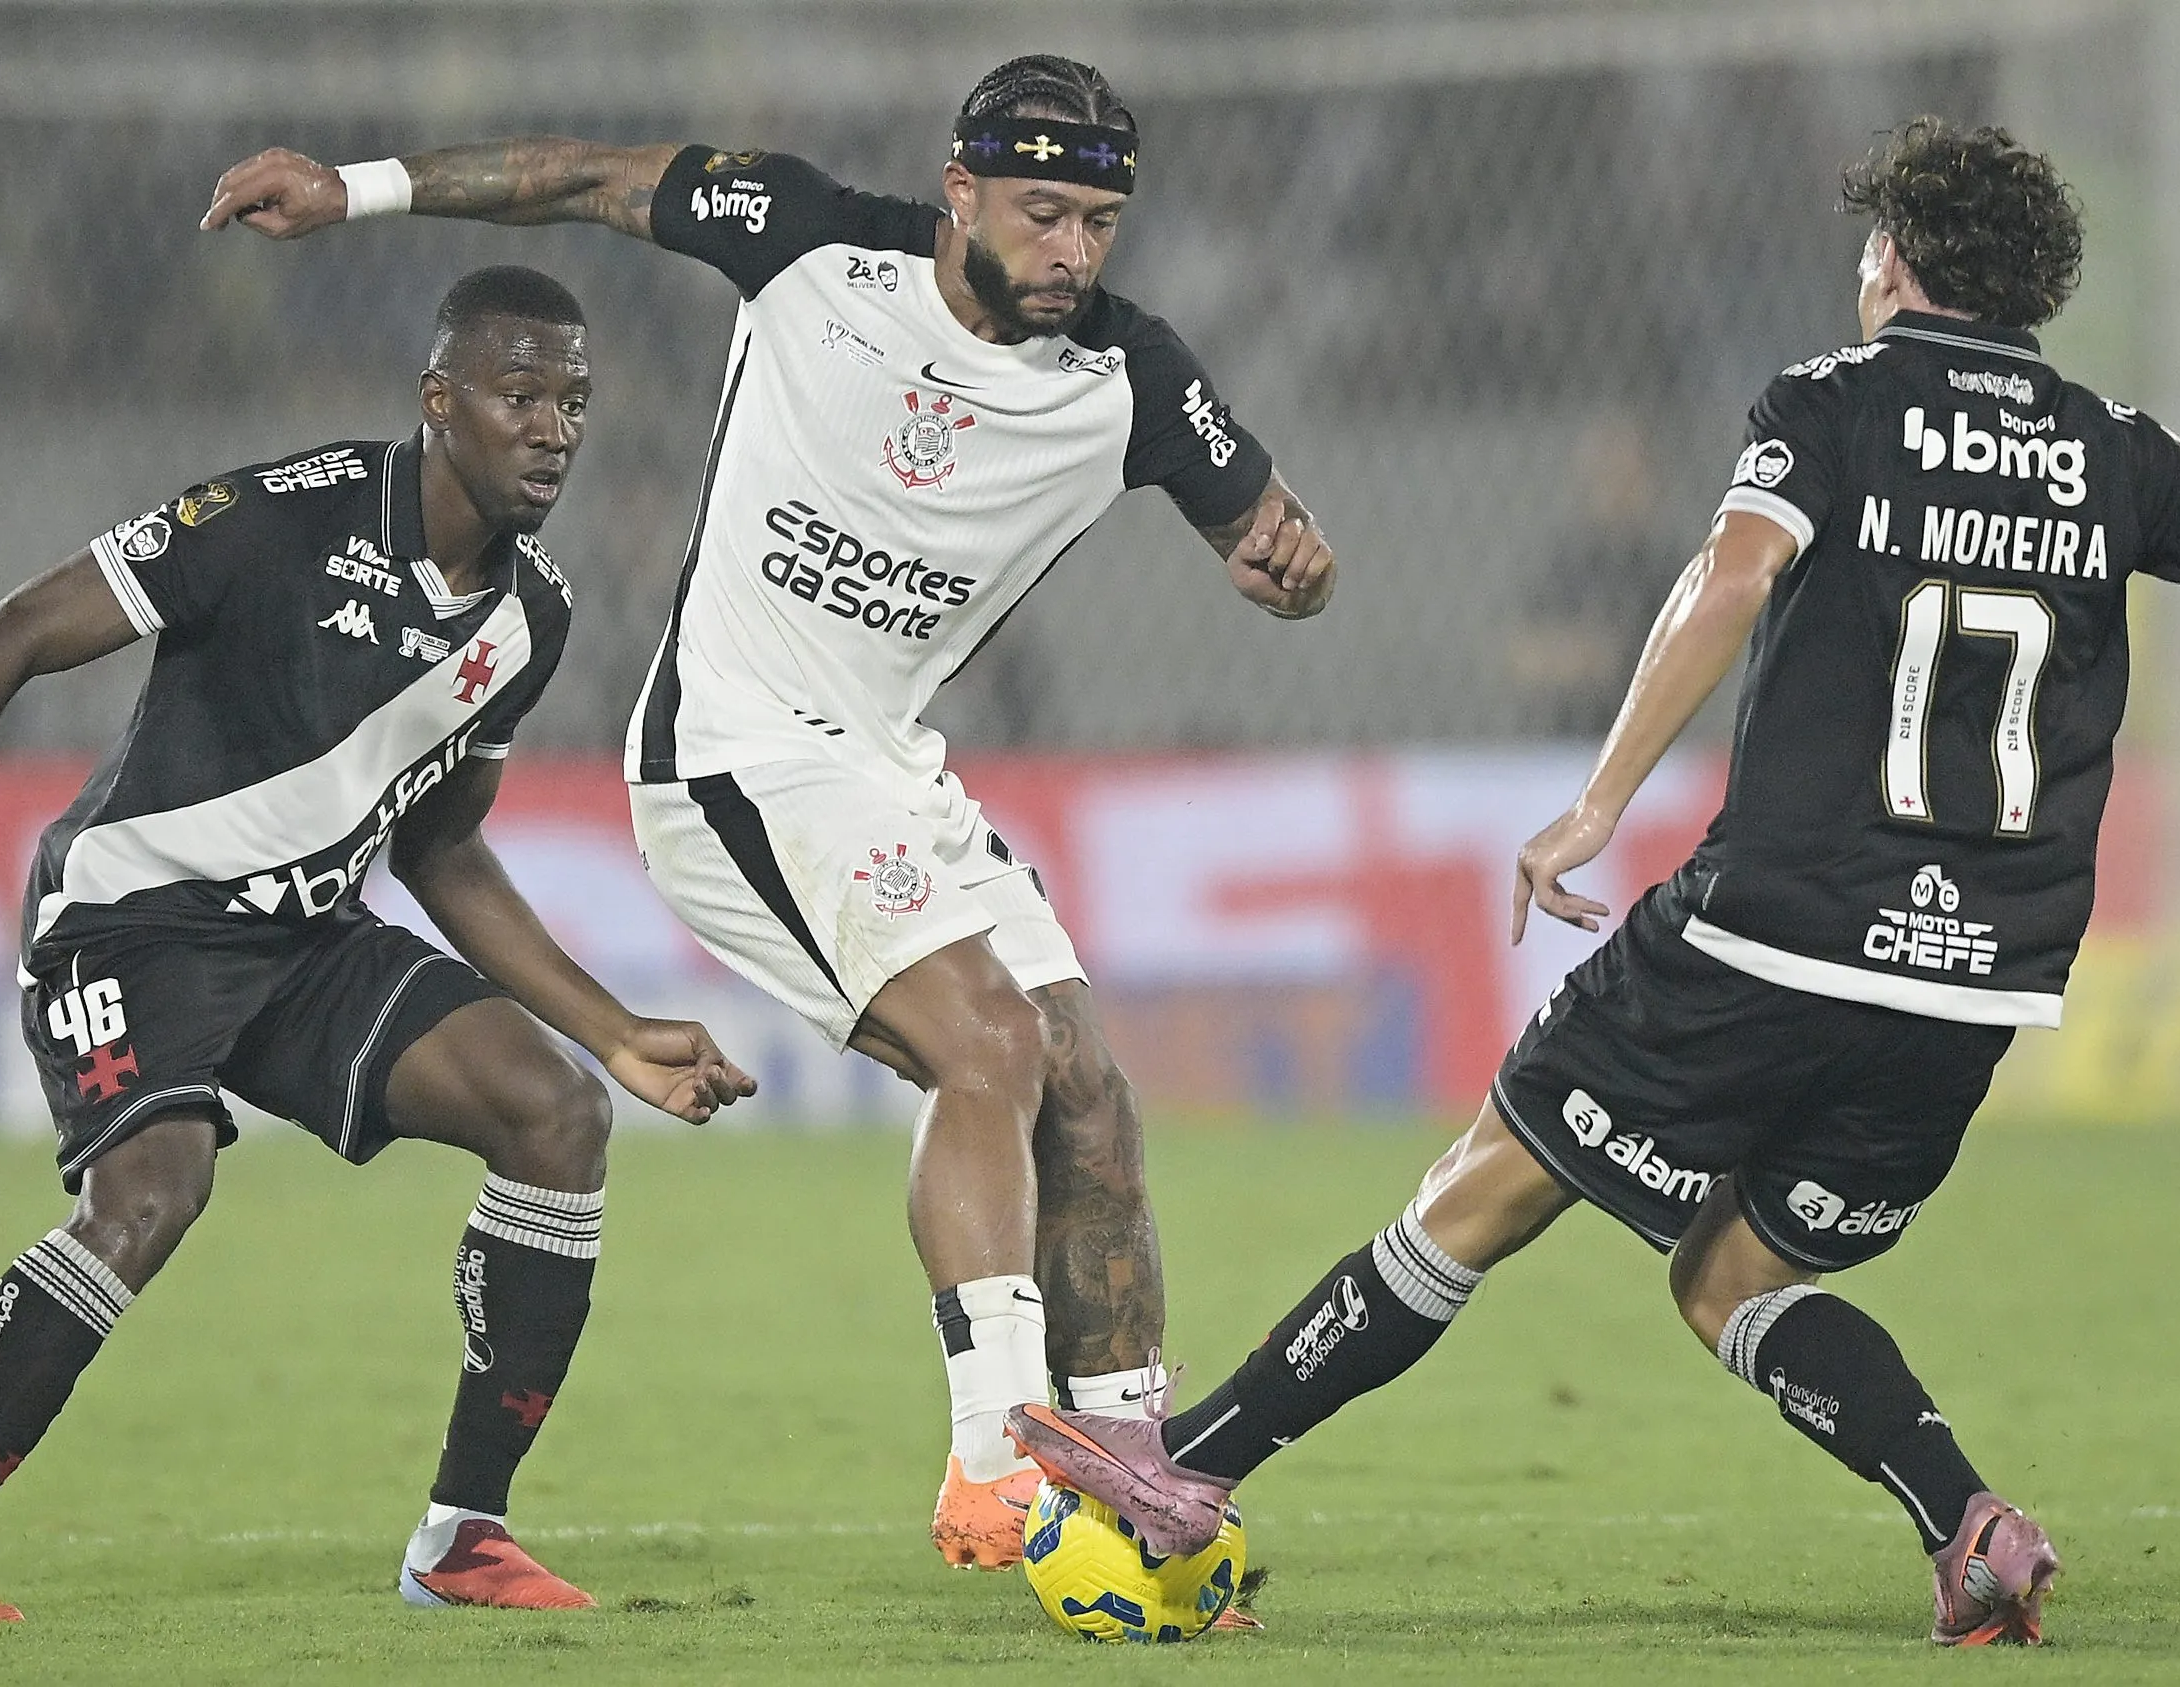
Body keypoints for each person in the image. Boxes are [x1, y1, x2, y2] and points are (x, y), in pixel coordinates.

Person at [1006, 118, 2180, 1646]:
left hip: (1779, 926)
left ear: (1895, 261)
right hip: (1980, 974)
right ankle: (1969, 1522)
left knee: (1482, 1188)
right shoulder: (2124, 450)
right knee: (1733, 1274)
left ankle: (1184, 1472)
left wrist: (1593, 806)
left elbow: (1728, 575)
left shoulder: (1832, 405)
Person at [203, 54, 1337, 1570]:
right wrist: (361, 189)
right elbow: (589, 175)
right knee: (989, 1042)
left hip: (886, 764)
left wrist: (1286, 562)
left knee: (1091, 1092)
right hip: (730, 753)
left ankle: (1138, 1481)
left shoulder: (1132, 378)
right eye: (1045, 211)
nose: (1074, 249)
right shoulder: (807, 242)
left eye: (1100, 223)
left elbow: (1263, 529)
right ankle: (996, 1462)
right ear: (961, 193)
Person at [0, 266, 756, 1622]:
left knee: (555, 1111)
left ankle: (464, 1534)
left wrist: (615, 1030)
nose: (555, 427)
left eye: (573, 399)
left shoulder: (534, 619)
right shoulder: (283, 514)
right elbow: (17, 630)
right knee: (153, 1192)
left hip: (304, 944)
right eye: (520, 395)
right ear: (438, 401)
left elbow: (441, 848)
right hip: (130, 921)